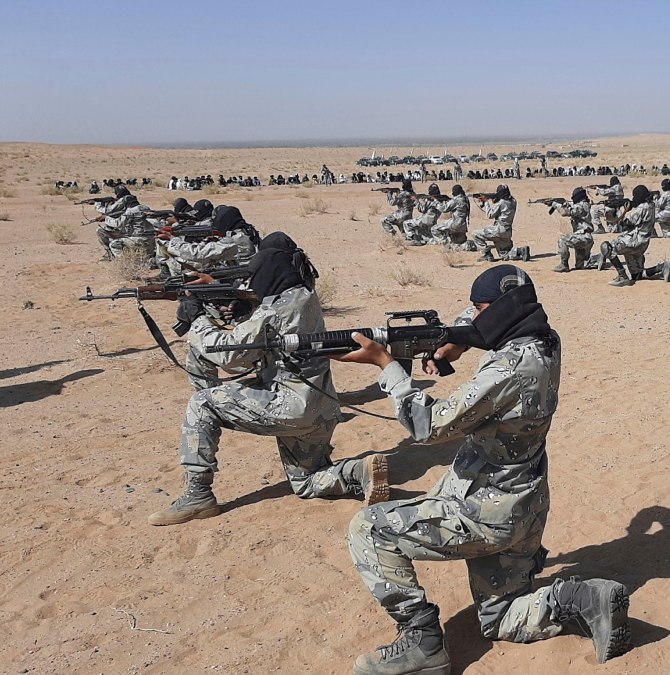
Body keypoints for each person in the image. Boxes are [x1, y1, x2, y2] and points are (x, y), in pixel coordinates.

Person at [337, 266, 632, 674]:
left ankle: (422, 643)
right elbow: (487, 320)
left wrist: (385, 364)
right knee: (501, 617)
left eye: (479, 309)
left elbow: (427, 425)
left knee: (369, 529)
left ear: (500, 309)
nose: (474, 316)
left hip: (483, 512)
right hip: (524, 507)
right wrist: (455, 340)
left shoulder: (507, 369)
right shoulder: (545, 341)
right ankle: (584, 599)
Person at [147, 233, 388, 525]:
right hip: (321, 408)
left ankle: (198, 495)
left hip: (288, 406)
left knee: (202, 404)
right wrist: (232, 301)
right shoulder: (305, 295)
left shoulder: (273, 311)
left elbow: (227, 354)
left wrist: (197, 317)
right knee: (306, 481)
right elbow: (265, 316)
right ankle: (358, 471)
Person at [600, 185, 670, 287]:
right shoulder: (651, 205)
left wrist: (618, 210)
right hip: (643, 243)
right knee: (637, 274)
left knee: (607, 247)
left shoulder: (642, 208)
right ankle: (662, 267)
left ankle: (622, 276)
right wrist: (628, 203)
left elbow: (625, 224)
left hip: (634, 241)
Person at [472, 185, 528, 262]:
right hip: (507, 232)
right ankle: (520, 251)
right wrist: (495, 198)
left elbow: (490, 215)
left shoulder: (501, 203)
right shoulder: (514, 201)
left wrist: (486, 202)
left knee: (475, 234)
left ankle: (487, 254)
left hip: (498, 231)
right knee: (504, 255)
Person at [551, 187, 594, 272]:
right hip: (584, 238)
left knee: (562, 240)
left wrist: (556, 205)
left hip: (583, 237)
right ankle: (597, 259)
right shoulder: (584, 204)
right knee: (581, 265)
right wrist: (564, 203)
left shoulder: (580, 206)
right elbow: (571, 206)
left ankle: (564, 264)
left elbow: (564, 212)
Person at [430, 184, 472, 249]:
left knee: (434, 229)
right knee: (458, 243)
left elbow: (444, 209)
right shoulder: (465, 199)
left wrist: (436, 201)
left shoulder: (456, 200)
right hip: (463, 226)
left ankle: (446, 245)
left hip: (455, 224)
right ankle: (466, 245)